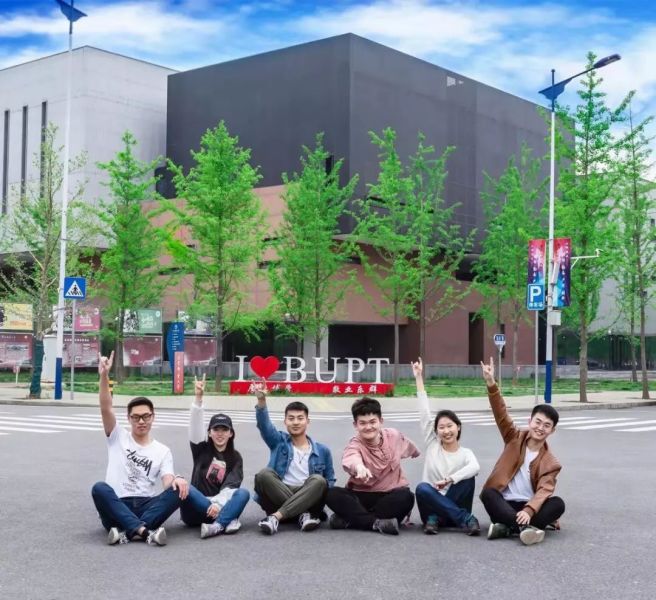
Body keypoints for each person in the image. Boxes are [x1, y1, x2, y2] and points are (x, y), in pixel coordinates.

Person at [91, 352, 189, 546]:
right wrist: (104, 376)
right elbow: (106, 408)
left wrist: (178, 479)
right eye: (136, 417)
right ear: (128, 419)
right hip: (117, 503)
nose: (141, 421)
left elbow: (167, 483)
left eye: (146, 416)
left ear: (153, 417)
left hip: (146, 505)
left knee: (180, 489)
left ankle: (127, 532)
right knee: (99, 488)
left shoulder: (162, 451)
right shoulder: (118, 436)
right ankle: (145, 532)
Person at [479, 356, 565, 546]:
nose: (540, 428)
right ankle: (525, 529)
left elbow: (544, 491)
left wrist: (529, 510)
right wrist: (491, 383)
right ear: (530, 421)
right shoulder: (513, 437)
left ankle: (507, 527)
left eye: (547, 425)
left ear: (552, 431)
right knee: (488, 494)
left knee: (557, 503)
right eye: (538, 422)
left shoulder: (551, 463)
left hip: (529, 505)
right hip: (504, 503)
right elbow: (501, 413)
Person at [325, 396, 420, 535]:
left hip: (388, 496)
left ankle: (351, 519)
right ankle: (376, 523)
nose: (368, 427)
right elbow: (351, 458)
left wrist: (416, 452)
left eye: (372, 422)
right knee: (332, 493)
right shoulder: (354, 444)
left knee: (406, 497)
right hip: (361, 495)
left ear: (381, 421)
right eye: (362, 423)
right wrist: (359, 467)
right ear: (355, 425)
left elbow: (410, 447)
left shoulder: (393, 436)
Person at [253, 381, 335, 535]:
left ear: (307, 421)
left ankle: (276, 517)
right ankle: (303, 514)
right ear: (285, 422)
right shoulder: (279, 442)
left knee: (319, 480)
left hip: (308, 493)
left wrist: (316, 497)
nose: (295, 422)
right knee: (263, 475)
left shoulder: (323, 450)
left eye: (300, 418)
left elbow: (330, 481)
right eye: (291, 418)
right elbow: (265, 426)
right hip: (280, 492)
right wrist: (261, 400)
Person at [411, 357, 481, 535]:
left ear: (458, 427)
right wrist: (418, 378)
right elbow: (424, 413)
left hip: (450, 507)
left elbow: (475, 467)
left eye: (450, 426)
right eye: (441, 427)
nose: (446, 431)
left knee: (469, 478)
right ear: (436, 431)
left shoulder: (466, 453)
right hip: (438, 511)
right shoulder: (433, 444)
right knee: (422, 488)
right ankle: (465, 519)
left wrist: (449, 480)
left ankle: (439, 518)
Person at [180, 374, 250, 539]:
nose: (220, 433)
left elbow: (230, 487)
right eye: (216, 429)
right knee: (184, 486)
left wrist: (217, 504)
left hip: (218, 507)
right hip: (196, 509)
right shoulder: (201, 449)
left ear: (231, 433)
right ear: (209, 433)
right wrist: (198, 398)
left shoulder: (235, 457)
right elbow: (195, 428)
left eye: (224, 430)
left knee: (243, 493)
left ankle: (217, 525)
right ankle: (228, 519)